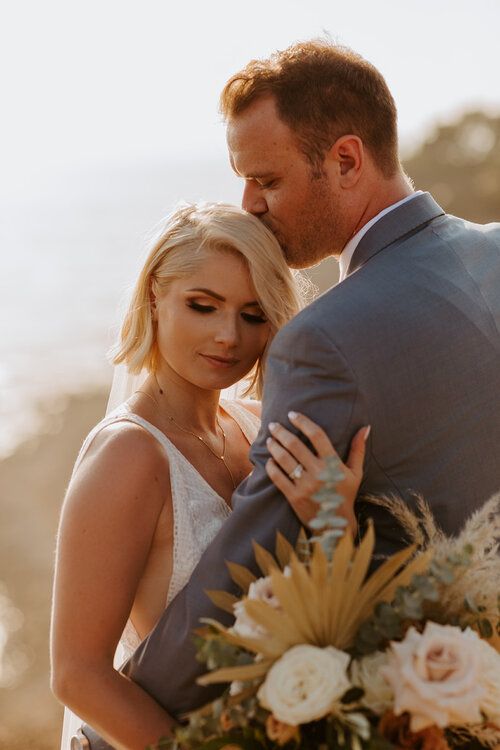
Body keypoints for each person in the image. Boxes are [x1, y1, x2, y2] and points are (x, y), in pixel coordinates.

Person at [79, 38, 500, 750]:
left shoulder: (324, 336)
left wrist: (115, 719)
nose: (249, 205)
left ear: (344, 160)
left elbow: (251, 562)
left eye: (266, 181)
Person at [50, 202, 368, 750]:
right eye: (203, 306)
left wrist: (336, 521)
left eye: (252, 315)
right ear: (155, 294)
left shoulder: (255, 426)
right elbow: (78, 675)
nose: (228, 337)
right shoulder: (129, 455)